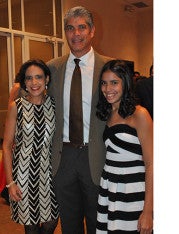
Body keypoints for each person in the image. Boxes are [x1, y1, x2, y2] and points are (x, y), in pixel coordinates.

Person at [46, 6, 112, 234]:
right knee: (70, 224)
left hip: (96, 157)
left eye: (82, 27)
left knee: (98, 222)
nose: (76, 34)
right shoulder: (52, 68)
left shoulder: (110, 67)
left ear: (92, 31)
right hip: (63, 157)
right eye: (70, 28)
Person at [95, 60, 153, 233]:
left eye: (114, 82)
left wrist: (148, 211)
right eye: (104, 83)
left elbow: (152, 164)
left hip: (133, 190)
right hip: (110, 187)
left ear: (125, 83)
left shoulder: (140, 114)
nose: (108, 88)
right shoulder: (109, 113)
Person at [2, 59, 59, 234]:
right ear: (24, 81)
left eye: (39, 77)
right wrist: (10, 183)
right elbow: (6, 146)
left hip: (50, 175)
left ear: (47, 79)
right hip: (24, 176)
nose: (34, 83)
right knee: (31, 227)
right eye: (29, 78)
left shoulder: (54, 105)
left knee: (51, 222)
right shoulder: (17, 106)